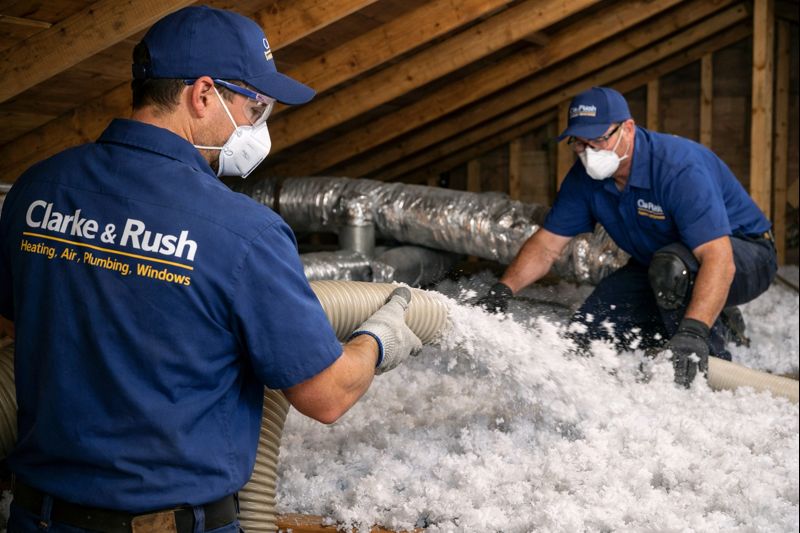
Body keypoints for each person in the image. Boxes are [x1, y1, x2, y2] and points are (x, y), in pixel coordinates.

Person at [0, 6, 421, 532]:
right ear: (202, 95)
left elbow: (26, 324)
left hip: (36, 518)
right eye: (255, 106)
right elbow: (327, 395)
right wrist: (378, 340)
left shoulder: (37, 188)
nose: (257, 126)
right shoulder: (243, 231)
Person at [476, 86, 776, 388]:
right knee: (588, 334)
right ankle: (714, 316)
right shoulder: (586, 179)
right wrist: (502, 290)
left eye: (597, 140)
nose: (588, 152)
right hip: (658, 264)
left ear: (628, 129)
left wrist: (693, 331)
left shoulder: (677, 169)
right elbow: (546, 246)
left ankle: (705, 373)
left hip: (745, 255)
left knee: (674, 276)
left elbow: (718, 259)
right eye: (579, 143)